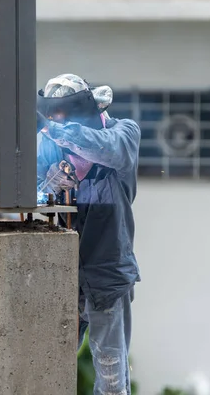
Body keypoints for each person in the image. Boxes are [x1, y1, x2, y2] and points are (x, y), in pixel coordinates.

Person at [36, 74, 141, 394]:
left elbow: (107, 149)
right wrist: (49, 186)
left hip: (106, 272)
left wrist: (55, 130)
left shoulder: (122, 132)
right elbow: (28, 198)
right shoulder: (49, 146)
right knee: (46, 367)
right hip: (62, 273)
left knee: (111, 378)